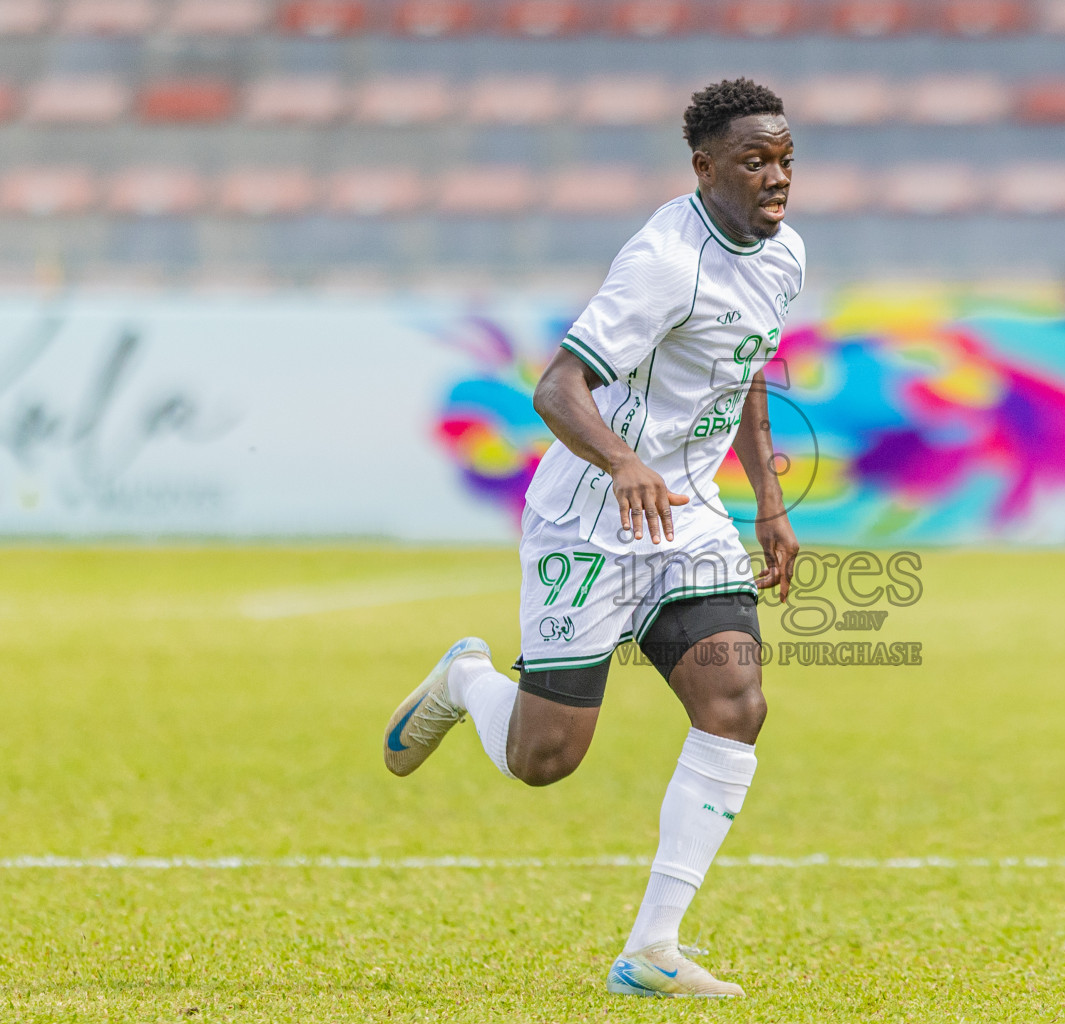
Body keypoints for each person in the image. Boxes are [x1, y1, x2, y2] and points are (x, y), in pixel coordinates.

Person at [382, 78, 804, 997]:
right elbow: (556, 389)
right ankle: (465, 679)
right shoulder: (662, 259)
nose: (776, 180)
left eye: (784, 161)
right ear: (704, 168)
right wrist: (623, 463)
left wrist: (767, 499)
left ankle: (654, 948)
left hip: (688, 515)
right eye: (753, 162)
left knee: (737, 704)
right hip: (593, 516)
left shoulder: (783, 254)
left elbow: (748, 367)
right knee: (546, 759)